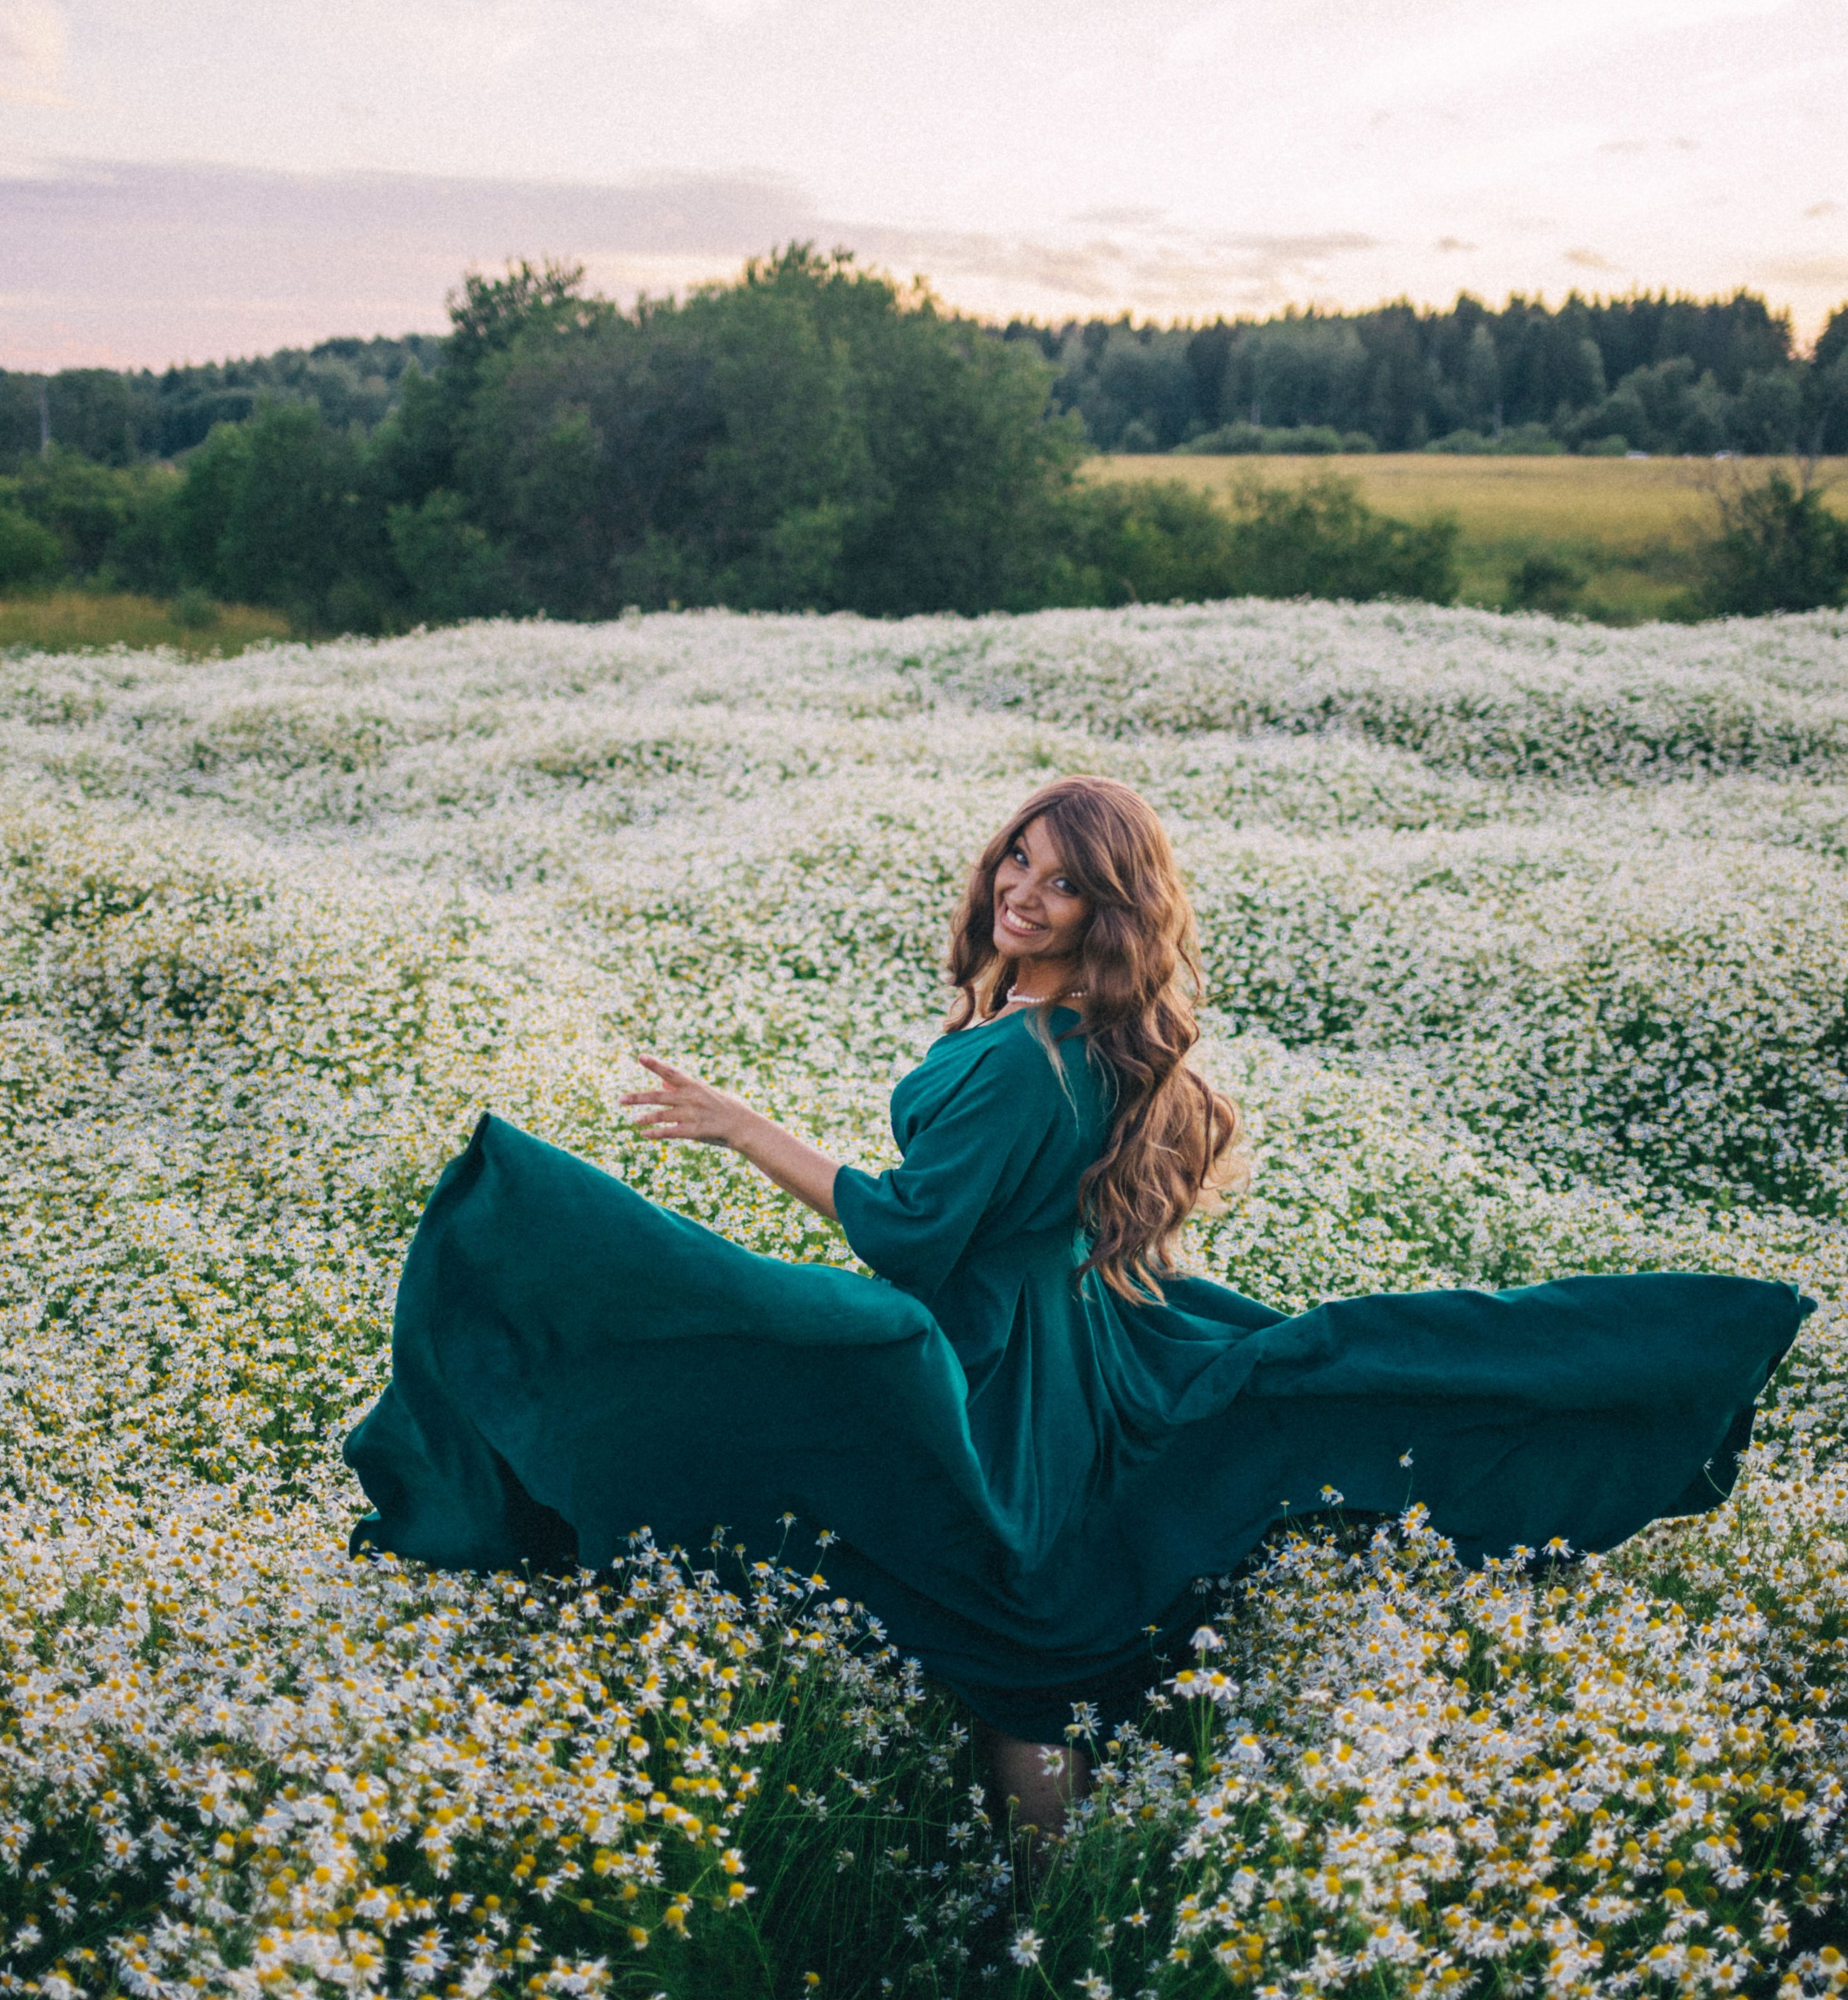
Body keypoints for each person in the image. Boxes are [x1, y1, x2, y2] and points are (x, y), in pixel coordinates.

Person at [345, 776, 1809, 1847]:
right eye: (1014, 863)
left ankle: (1049, 1903)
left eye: (1055, 885)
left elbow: (917, 1242)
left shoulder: (1014, 1059)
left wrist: (742, 1129)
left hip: (997, 1360)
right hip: (1065, 1330)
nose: (1018, 893)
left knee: (1017, 1634)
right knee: (1012, 1611)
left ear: (1108, 915)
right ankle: (1051, 1878)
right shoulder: (1073, 1036)